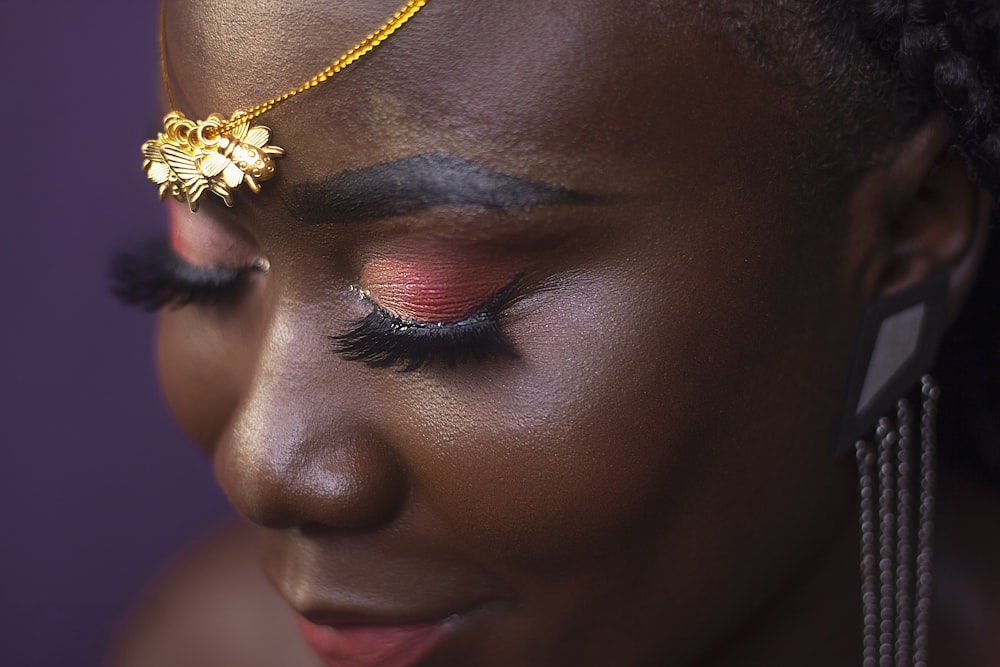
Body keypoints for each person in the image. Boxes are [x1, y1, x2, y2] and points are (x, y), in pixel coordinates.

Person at [108, 0, 1000, 665]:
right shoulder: (208, 643)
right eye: (208, 262)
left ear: (907, 230)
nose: (263, 465)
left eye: (431, 311)